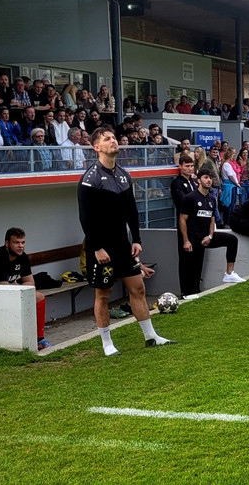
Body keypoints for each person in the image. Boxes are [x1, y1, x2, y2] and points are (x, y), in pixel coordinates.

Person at [79, 126, 174, 355]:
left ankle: (151, 337)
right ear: (96, 147)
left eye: (113, 137)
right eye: (107, 139)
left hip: (123, 245)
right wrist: (97, 248)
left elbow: (132, 210)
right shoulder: (90, 179)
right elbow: (85, 218)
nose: (113, 141)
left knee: (138, 288)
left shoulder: (124, 175)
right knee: (103, 294)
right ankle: (107, 343)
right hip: (102, 248)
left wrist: (137, 239)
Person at [0, 227, 49, 350]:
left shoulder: (22, 257)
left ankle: (40, 339)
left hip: (1, 294)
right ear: (7, 243)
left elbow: (30, 283)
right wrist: (16, 286)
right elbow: (5, 289)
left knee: (38, 296)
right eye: (16, 242)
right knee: (17, 300)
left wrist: (15, 285)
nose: (20, 246)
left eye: (23, 242)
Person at [178, 166, 242, 297]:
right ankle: (187, 292)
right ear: (199, 181)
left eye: (210, 178)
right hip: (191, 238)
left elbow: (212, 220)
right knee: (190, 266)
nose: (209, 180)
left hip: (204, 237)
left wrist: (210, 235)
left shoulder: (212, 199)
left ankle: (229, 274)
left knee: (232, 240)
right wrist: (185, 240)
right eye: (206, 178)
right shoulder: (190, 198)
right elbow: (182, 220)